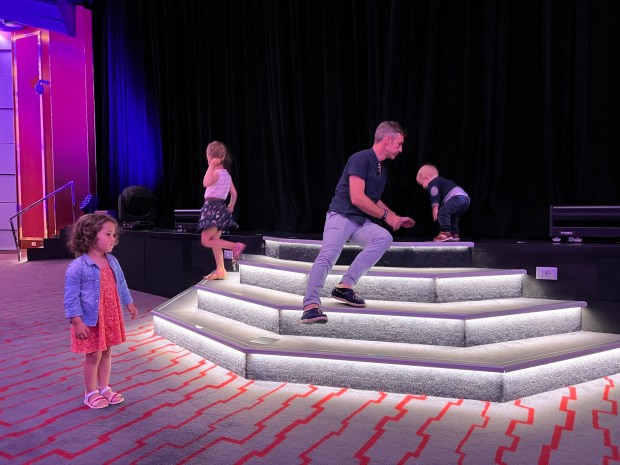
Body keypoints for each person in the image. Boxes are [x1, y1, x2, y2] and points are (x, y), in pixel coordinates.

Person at [301, 121, 415, 324]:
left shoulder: (382, 169)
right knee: (329, 254)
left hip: (359, 221)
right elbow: (357, 198)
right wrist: (386, 217)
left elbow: (373, 198)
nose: (400, 149)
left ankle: (345, 286)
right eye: (399, 144)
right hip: (341, 215)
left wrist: (394, 216)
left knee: (383, 237)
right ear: (387, 140)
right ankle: (310, 305)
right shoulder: (361, 158)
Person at [64, 213, 139, 409]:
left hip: (109, 315)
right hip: (90, 320)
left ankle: (104, 387)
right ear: (90, 235)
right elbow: (71, 297)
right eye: (108, 234)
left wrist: (128, 301)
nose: (113, 239)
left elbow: (120, 283)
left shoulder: (112, 260)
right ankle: (90, 392)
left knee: (107, 352)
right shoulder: (77, 267)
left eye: (114, 235)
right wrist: (77, 321)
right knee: (93, 355)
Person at [198, 141, 246, 280]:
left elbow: (205, 183)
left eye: (207, 157)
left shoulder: (216, 173)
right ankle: (221, 270)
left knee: (206, 241)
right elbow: (234, 194)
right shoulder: (226, 174)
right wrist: (230, 206)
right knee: (215, 241)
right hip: (222, 209)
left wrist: (211, 167)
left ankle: (235, 246)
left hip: (212, 209)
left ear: (210, 157)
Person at [415, 164, 470, 242]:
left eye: (422, 184)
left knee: (443, 212)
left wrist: (435, 206)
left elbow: (434, 192)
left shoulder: (433, 183)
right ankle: (455, 234)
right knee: (452, 216)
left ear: (426, 178)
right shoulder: (441, 181)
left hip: (458, 198)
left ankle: (445, 233)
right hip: (465, 199)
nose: (423, 187)